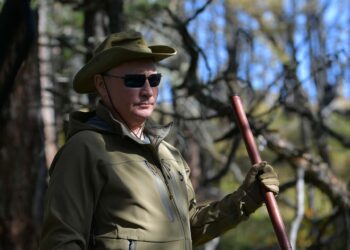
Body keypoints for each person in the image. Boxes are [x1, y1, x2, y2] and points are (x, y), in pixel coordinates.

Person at [39, 30, 279, 250]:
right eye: (134, 80)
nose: (147, 90)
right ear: (101, 85)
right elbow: (61, 242)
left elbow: (191, 225)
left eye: (153, 80)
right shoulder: (84, 150)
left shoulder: (168, 154)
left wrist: (247, 197)